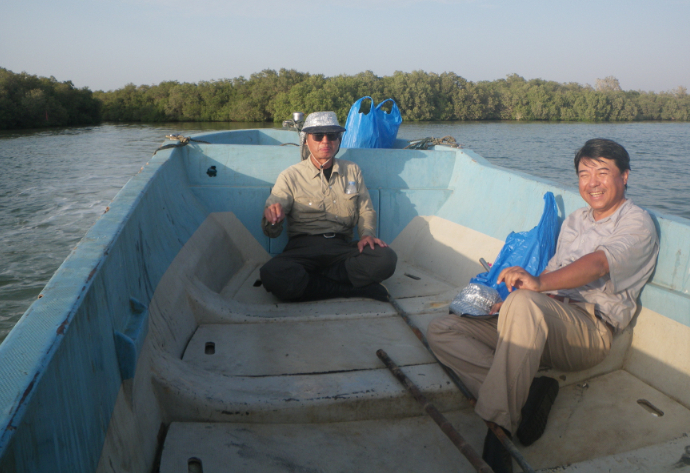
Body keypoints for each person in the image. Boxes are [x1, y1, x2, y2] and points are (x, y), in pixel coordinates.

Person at [427, 138, 659, 473]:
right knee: (443, 329)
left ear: (625, 176)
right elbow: (549, 276)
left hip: (587, 330)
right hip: (542, 320)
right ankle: (530, 388)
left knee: (524, 303)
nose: (592, 182)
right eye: (584, 173)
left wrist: (536, 287)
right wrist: (506, 305)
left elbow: (599, 264)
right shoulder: (576, 220)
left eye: (602, 172)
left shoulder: (637, 222)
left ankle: (498, 430)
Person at [259, 111, 397, 302]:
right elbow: (271, 229)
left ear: (338, 140)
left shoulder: (352, 170)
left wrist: (367, 235)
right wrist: (273, 218)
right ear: (306, 140)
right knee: (272, 273)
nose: (326, 141)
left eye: (332, 135)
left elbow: (366, 209)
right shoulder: (290, 176)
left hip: (340, 249)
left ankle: (315, 282)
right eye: (318, 136)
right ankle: (353, 290)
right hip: (302, 250)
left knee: (386, 259)